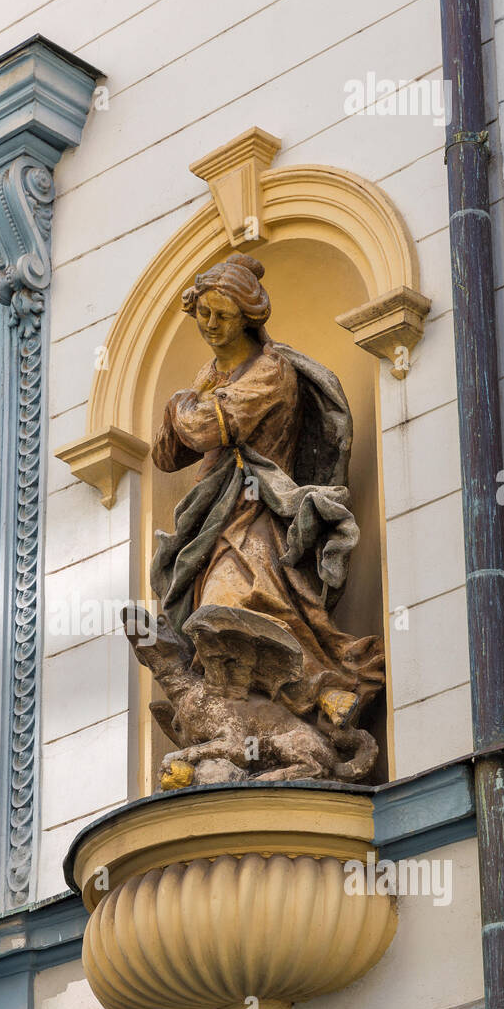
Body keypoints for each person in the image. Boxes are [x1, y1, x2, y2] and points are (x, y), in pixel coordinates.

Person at [150, 251, 384, 726]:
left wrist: (180, 404)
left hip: (260, 510)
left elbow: (203, 431)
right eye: (204, 314)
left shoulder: (271, 372)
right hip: (215, 519)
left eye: (223, 316)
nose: (211, 325)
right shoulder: (211, 376)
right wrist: (188, 405)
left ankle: (325, 692)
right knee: (220, 622)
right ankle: (249, 719)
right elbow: (167, 456)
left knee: (242, 604)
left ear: (248, 319)